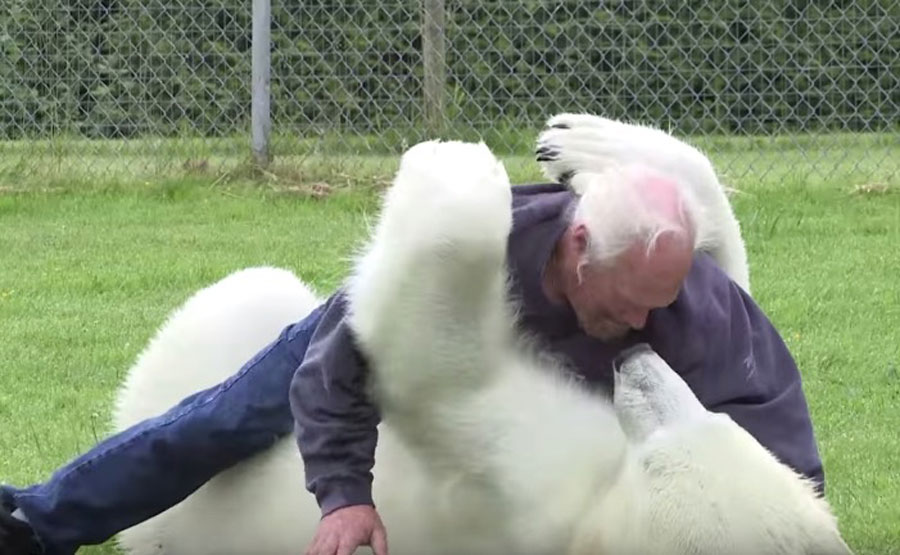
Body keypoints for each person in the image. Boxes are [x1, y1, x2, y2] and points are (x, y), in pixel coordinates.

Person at [0, 135, 824, 555]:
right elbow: (341, 378)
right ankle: (41, 519)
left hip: (481, 408)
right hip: (367, 339)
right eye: (632, 300)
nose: (650, 327)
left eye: (665, 297)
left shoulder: (690, 303)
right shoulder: (490, 249)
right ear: (576, 250)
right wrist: (341, 495)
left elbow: (772, 458)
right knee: (224, 416)